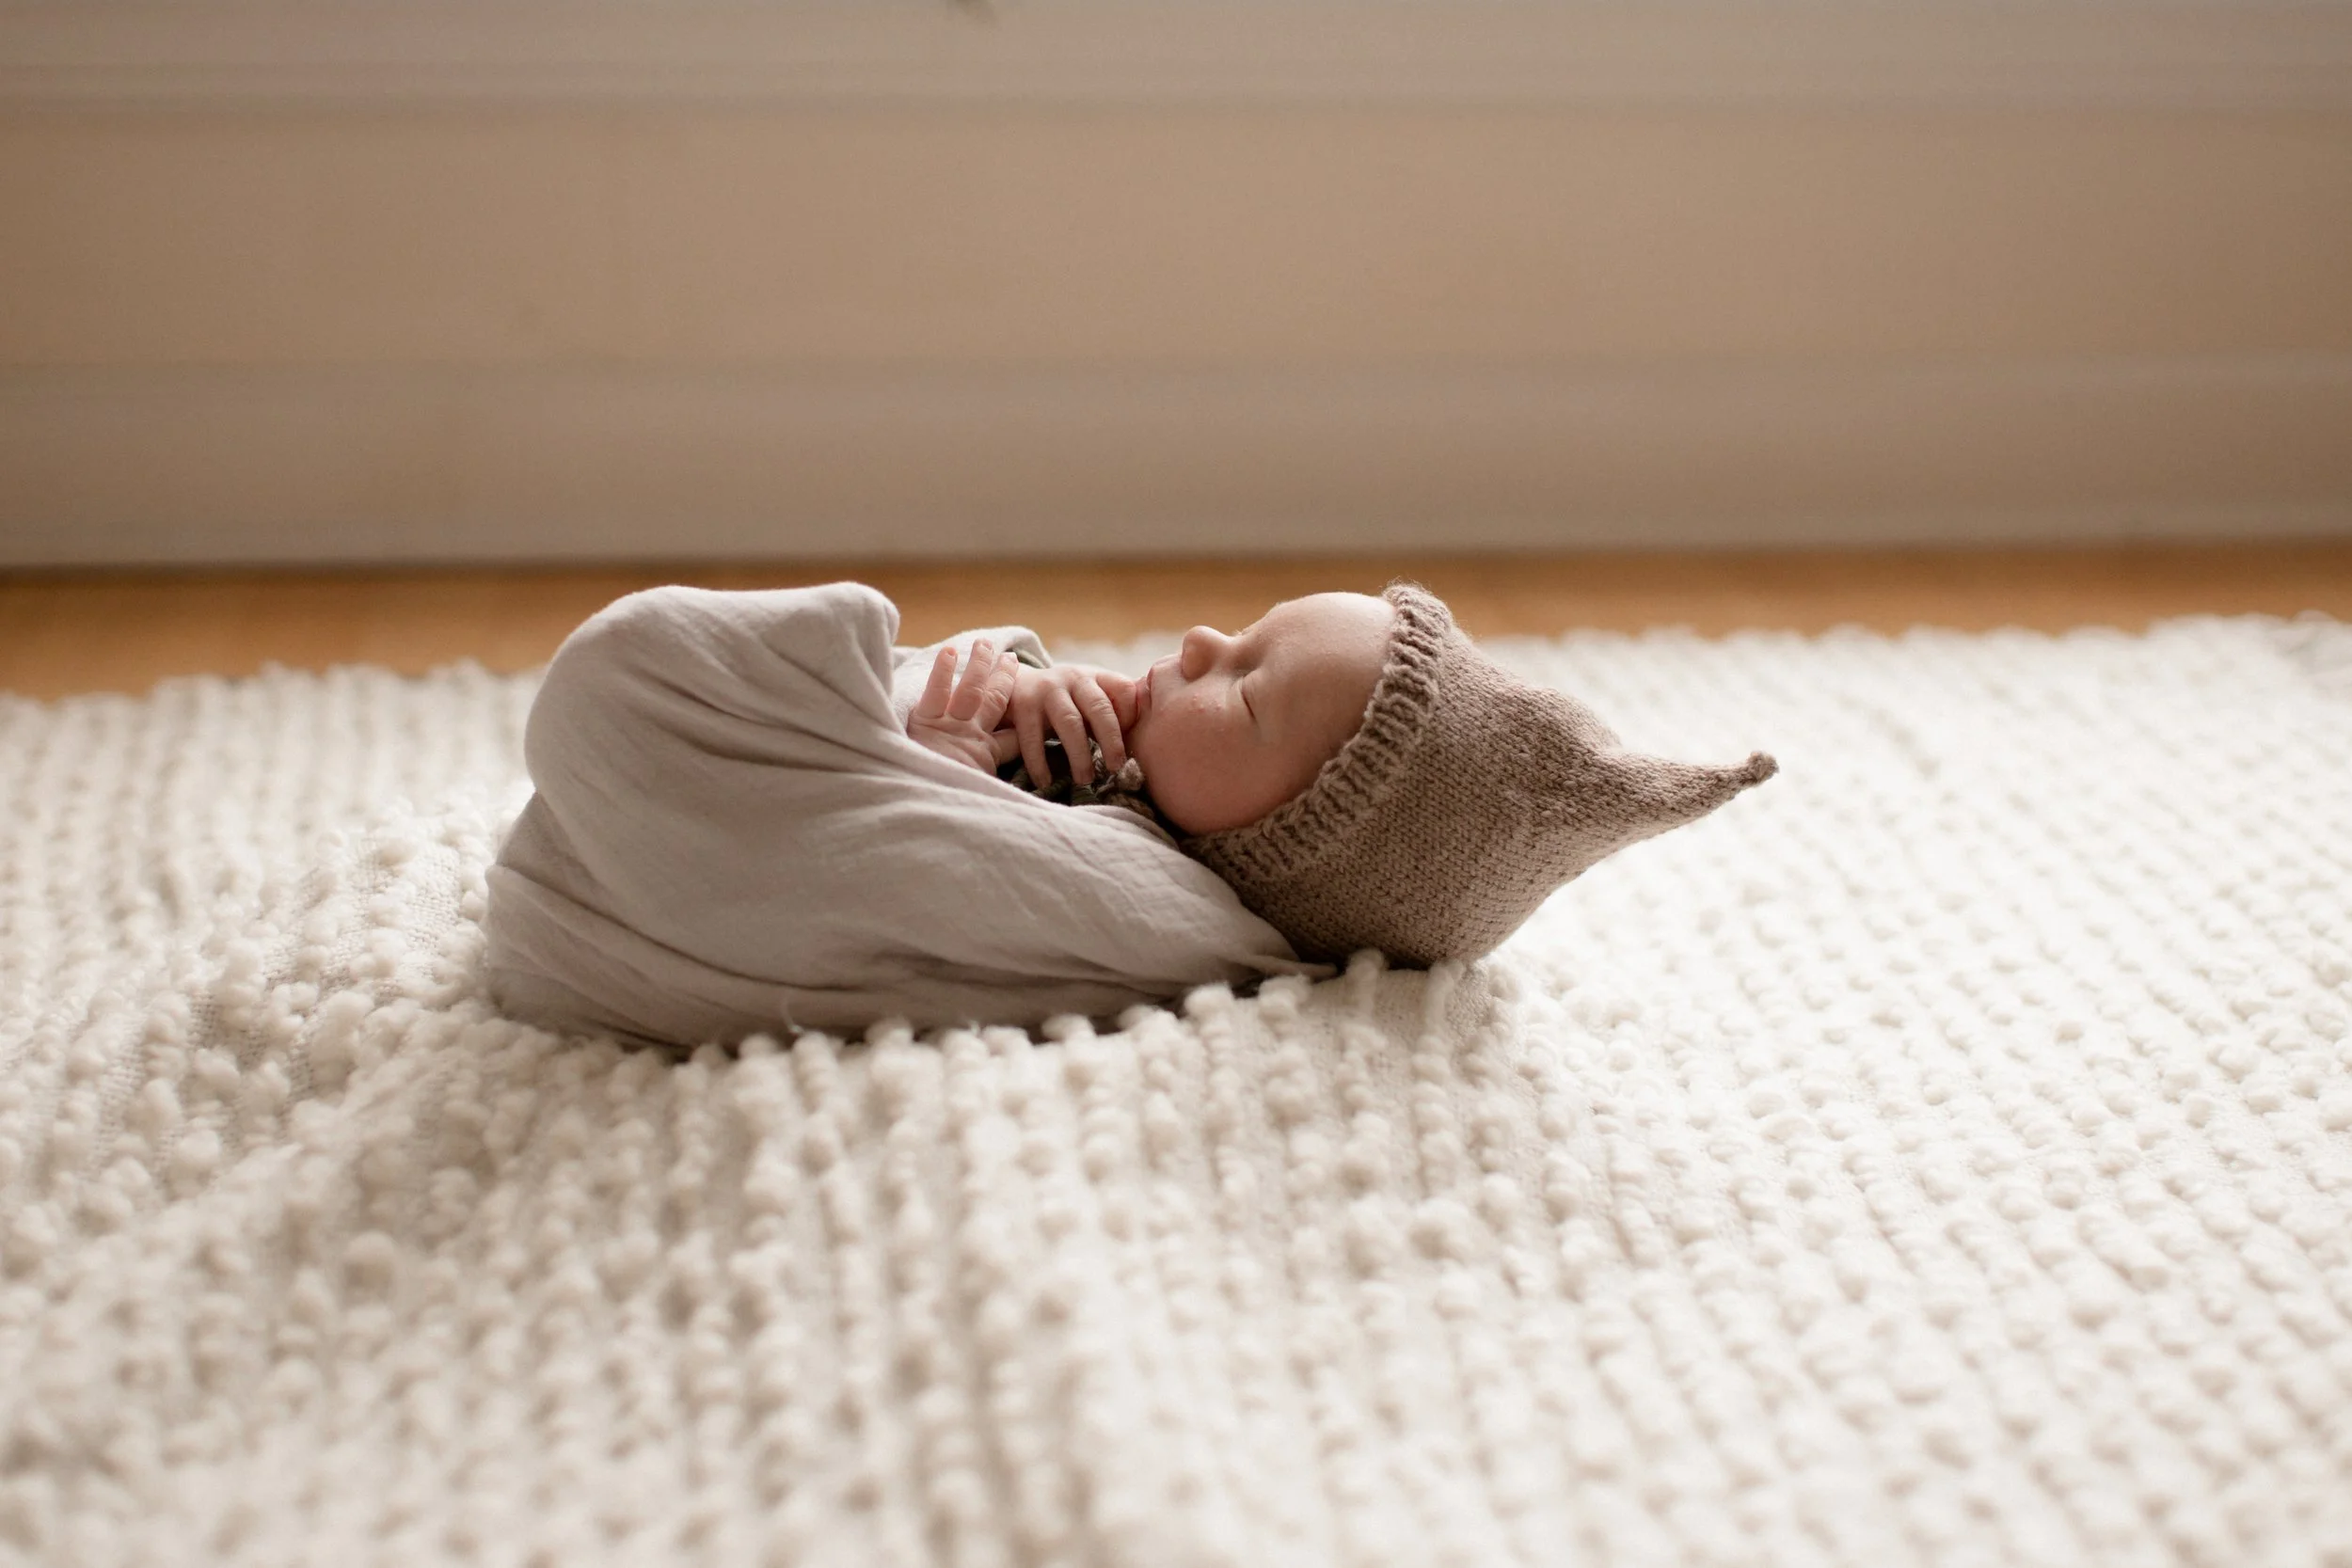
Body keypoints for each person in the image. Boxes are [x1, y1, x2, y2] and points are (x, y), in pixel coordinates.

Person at [902, 581, 1777, 966]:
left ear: (1281, 854)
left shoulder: (1154, 901)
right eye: (1247, 635)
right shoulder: (1125, 775)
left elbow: (927, 901)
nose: (1200, 642)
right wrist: (1022, 684)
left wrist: (946, 771)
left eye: (1245, 689)